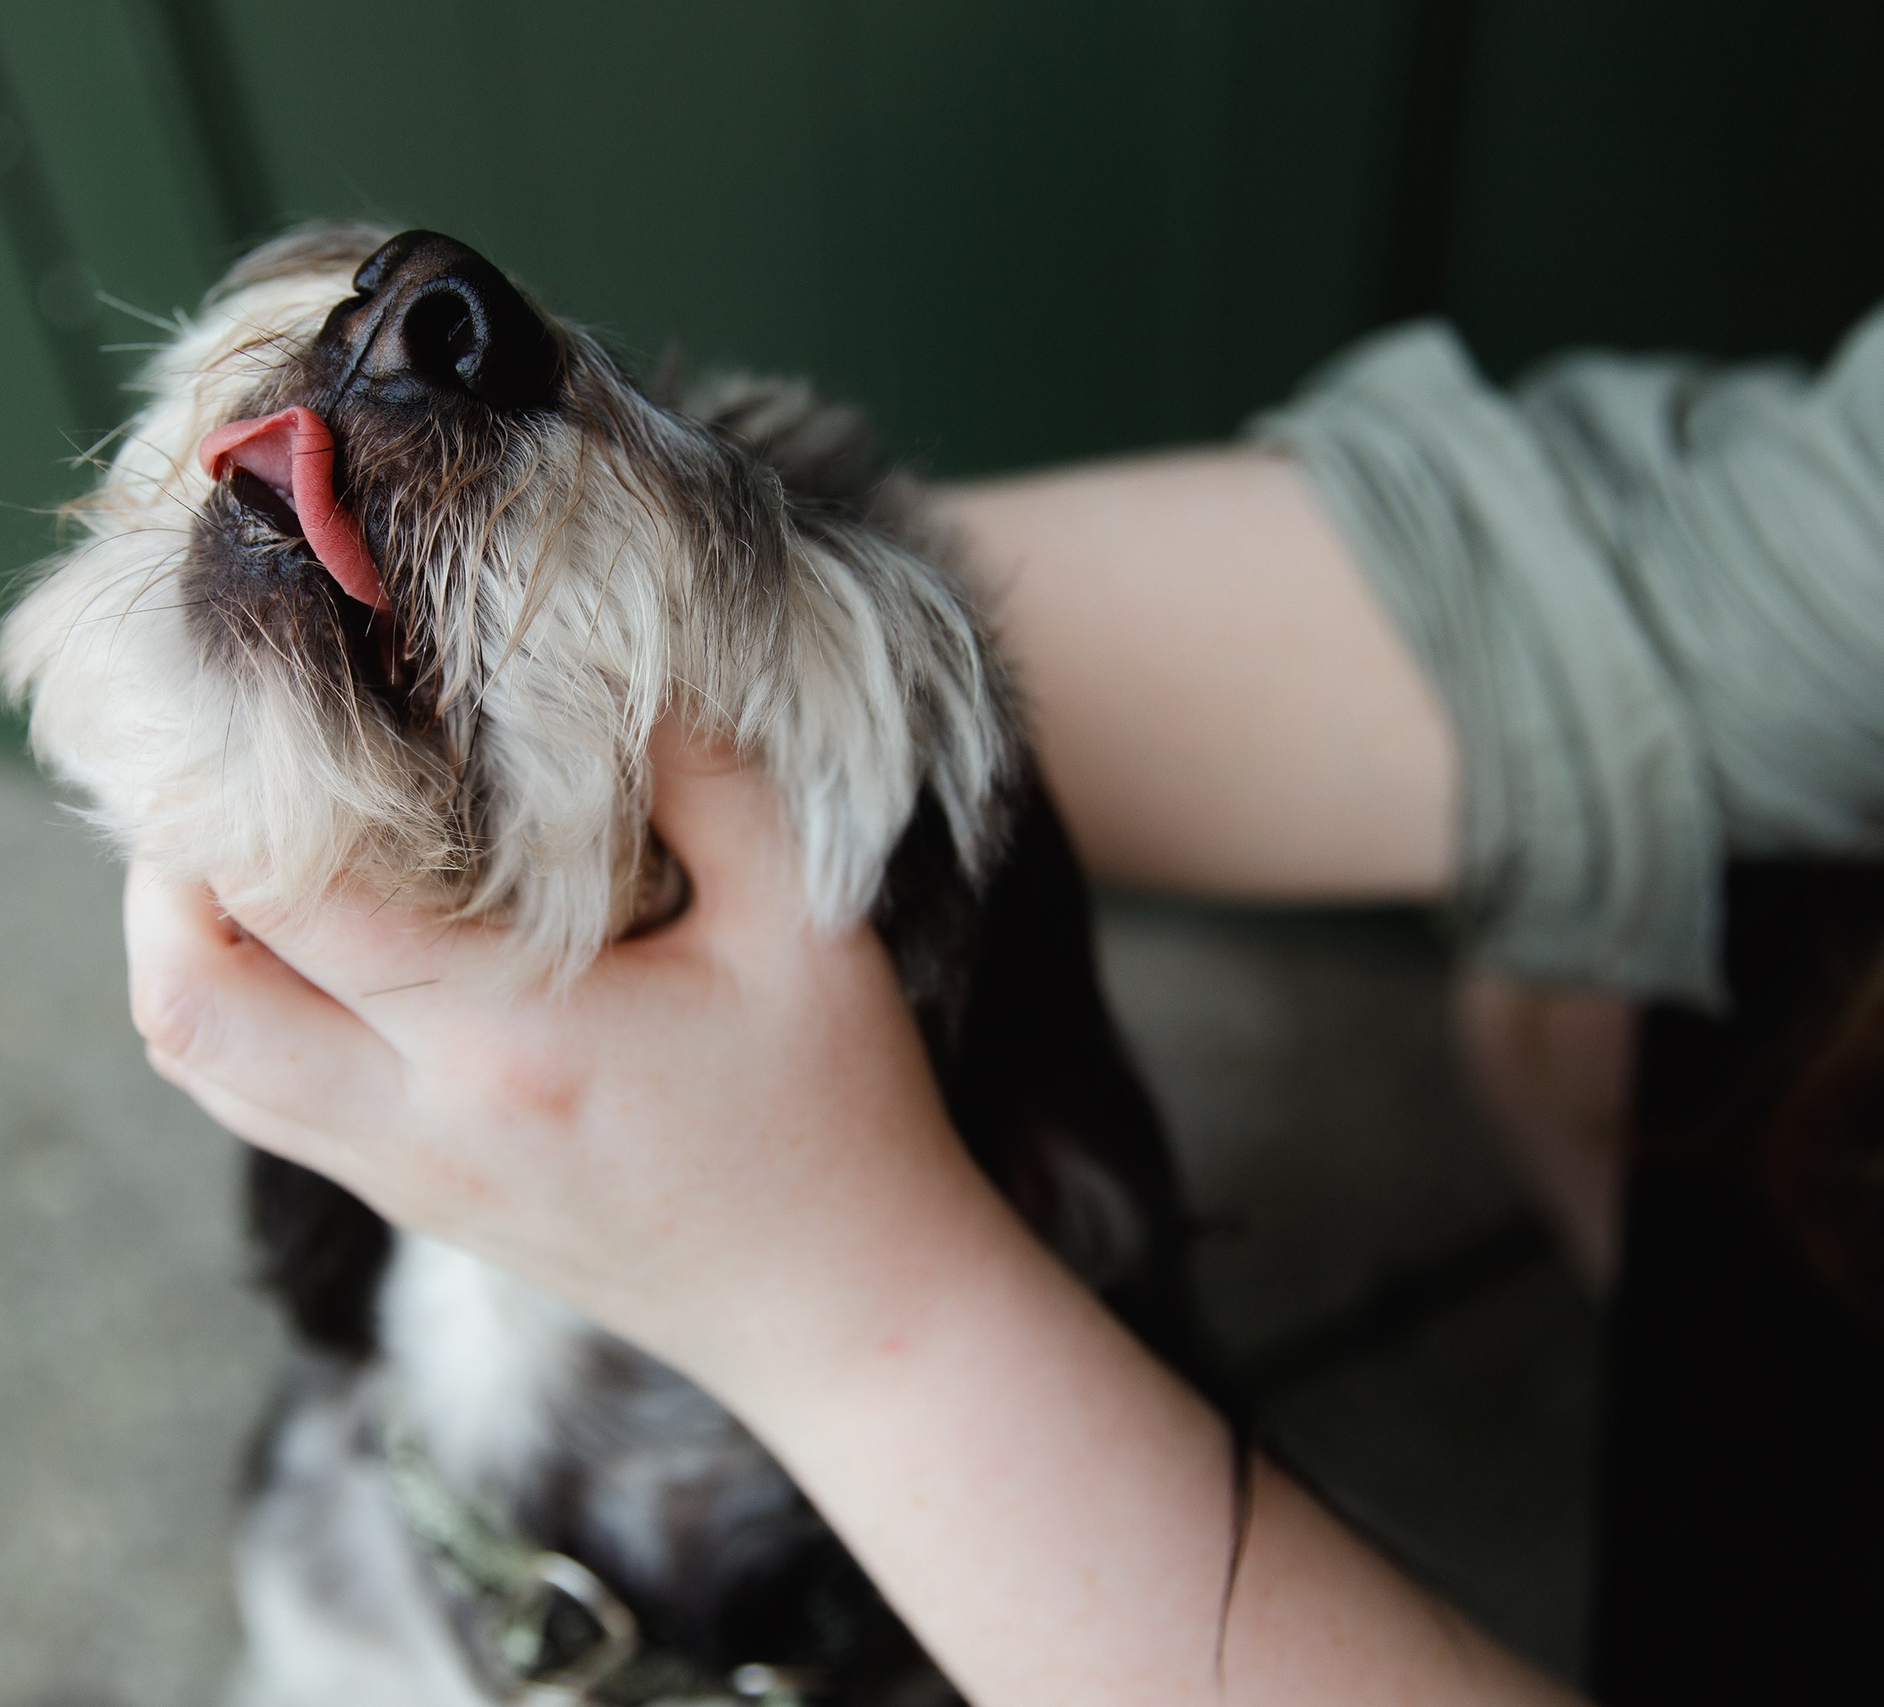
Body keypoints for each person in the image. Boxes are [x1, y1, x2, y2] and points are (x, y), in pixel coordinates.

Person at [124, 307, 1884, 1704]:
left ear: (1046, 1199)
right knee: (1581, 1011)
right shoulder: (323, 1520)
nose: (420, 312)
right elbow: (1720, 576)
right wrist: (711, 561)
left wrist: (866, 1312)